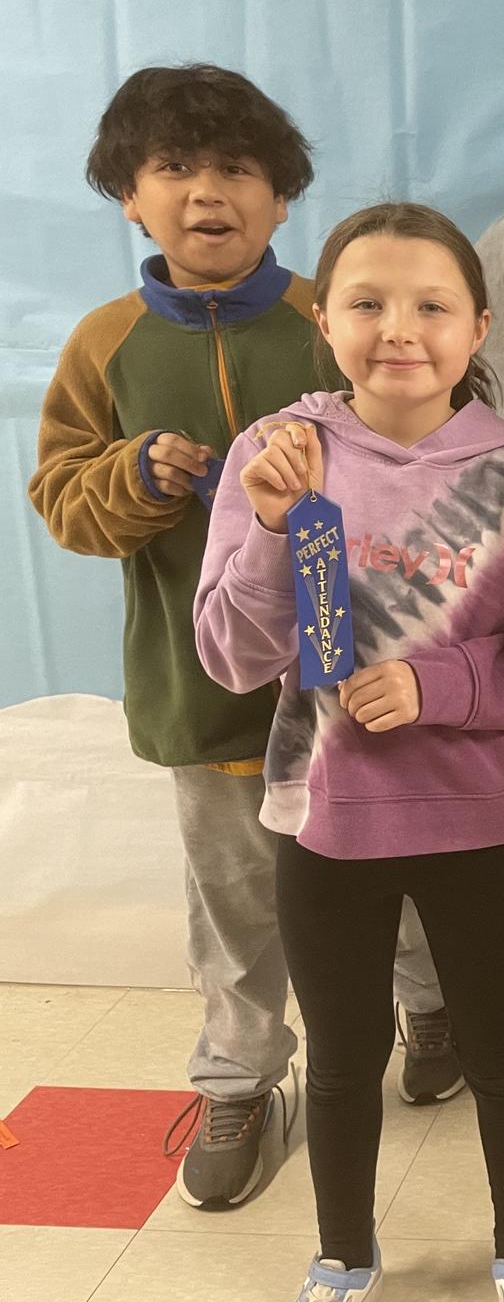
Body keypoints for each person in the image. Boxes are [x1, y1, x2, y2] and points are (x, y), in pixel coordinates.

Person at [27, 65, 453, 1216]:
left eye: (236, 168)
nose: (207, 192)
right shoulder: (106, 344)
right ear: (129, 195)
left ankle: (431, 1009)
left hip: (359, 688)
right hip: (203, 690)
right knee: (235, 904)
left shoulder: (335, 319)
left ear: (282, 195)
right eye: (174, 167)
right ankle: (239, 1081)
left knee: (399, 873)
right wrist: (130, 476)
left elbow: (424, 468)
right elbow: (61, 499)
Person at [194, 203, 504, 1302]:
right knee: (341, 1057)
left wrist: (441, 684)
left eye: (432, 306)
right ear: (324, 319)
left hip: (482, 819)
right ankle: (343, 1254)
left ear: (479, 327)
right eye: (367, 303)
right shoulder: (278, 455)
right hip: (325, 819)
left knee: (499, 1046)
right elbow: (229, 656)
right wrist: (272, 529)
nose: (399, 330)